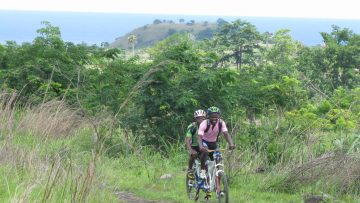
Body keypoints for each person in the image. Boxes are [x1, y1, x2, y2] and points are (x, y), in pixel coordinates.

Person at [198, 106, 235, 180]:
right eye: (212, 117)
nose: (214, 119)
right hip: (204, 141)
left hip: (213, 143)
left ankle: (217, 174)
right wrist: (201, 146)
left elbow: (226, 134)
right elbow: (199, 137)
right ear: (208, 117)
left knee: (217, 157)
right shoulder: (204, 124)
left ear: (219, 116)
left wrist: (231, 144)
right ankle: (202, 171)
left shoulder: (221, 123)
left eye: (216, 117)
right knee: (205, 152)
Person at [185, 109, 206, 180]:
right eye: (198, 118)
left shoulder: (207, 126)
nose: (201, 120)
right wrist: (191, 150)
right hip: (194, 146)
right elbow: (187, 140)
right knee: (193, 155)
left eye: (203, 118)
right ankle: (190, 170)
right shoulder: (192, 126)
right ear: (195, 119)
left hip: (204, 146)